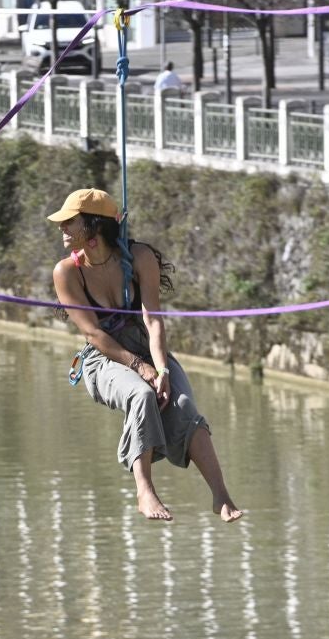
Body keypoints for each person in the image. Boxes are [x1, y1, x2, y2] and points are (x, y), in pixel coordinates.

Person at [48, 188, 244, 523]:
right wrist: (141, 368)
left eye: (70, 221)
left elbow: (152, 319)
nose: (62, 228)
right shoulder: (66, 272)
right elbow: (94, 334)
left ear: (94, 225)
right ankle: (144, 489)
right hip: (104, 357)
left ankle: (221, 496)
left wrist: (162, 369)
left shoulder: (138, 258)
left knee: (183, 407)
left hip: (144, 344)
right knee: (140, 394)